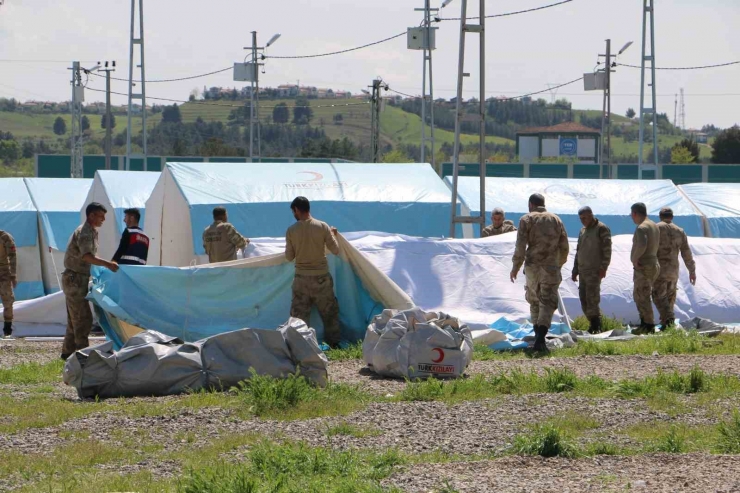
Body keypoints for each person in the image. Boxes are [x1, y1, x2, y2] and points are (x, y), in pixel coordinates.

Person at [510, 193, 569, 351]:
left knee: (534, 301)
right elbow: (564, 246)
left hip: (533, 268)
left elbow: (520, 246)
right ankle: (541, 338)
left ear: (531, 204)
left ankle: (538, 337)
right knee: (547, 302)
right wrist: (559, 264)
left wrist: (516, 267)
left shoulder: (526, 219)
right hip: (550, 267)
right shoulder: (556, 219)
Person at [61, 202, 119, 359]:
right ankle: (82, 355)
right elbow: (87, 256)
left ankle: (67, 353)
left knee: (75, 319)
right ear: (91, 215)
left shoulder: (92, 231)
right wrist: (108, 264)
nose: (103, 220)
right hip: (75, 279)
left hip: (78, 278)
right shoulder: (85, 232)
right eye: (101, 216)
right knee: (82, 319)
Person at [285, 196, 341, 348]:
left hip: (301, 279)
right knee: (329, 313)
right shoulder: (323, 226)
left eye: (293, 211)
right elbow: (335, 250)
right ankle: (334, 344)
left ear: (296, 209)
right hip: (321, 278)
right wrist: (333, 235)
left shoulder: (291, 230)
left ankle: (300, 346)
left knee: (299, 317)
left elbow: (289, 257)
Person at [571, 206, 612, 334]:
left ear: (591, 215)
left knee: (592, 298)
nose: (584, 220)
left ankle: (596, 325)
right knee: (583, 299)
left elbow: (607, 250)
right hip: (583, 270)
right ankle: (592, 322)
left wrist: (603, 267)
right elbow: (579, 251)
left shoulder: (601, 228)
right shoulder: (583, 231)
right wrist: (575, 269)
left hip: (594, 270)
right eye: (581, 218)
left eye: (586, 217)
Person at [654, 207, 697, 328]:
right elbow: (686, 253)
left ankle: (668, 319)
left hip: (659, 270)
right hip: (673, 271)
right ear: (672, 217)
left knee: (658, 296)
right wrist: (692, 271)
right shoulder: (680, 231)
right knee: (670, 298)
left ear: (660, 216)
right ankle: (666, 324)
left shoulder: (656, 229)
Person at [629, 202, 661, 335]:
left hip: (644, 266)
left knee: (641, 296)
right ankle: (646, 324)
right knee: (644, 294)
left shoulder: (642, 228)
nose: (632, 217)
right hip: (653, 264)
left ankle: (647, 325)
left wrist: (635, 259)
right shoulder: (653, 225)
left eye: (632, 214)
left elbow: (641, 244)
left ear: (635, 213)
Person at [0, 230, 17, 338]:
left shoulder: (5, 237)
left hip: (3, 273)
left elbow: (13, 256)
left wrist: (13, 274)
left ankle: (7, 328)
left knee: (8, 300)